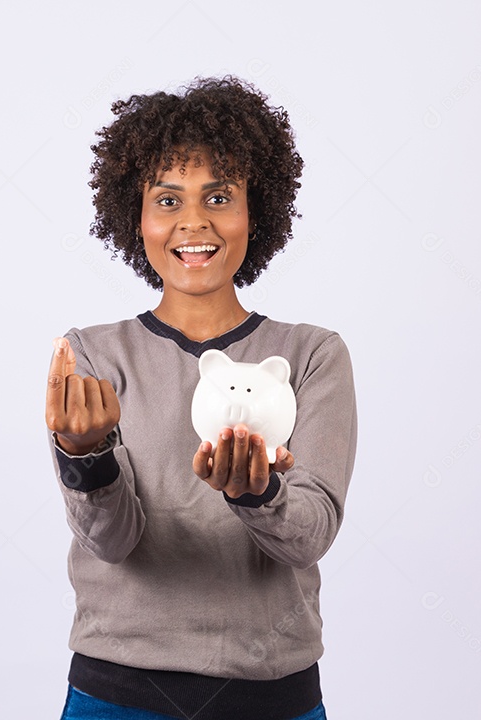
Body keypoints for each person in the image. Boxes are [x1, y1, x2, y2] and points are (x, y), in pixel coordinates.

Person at [45, 75, 358, 720]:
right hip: (119, 693)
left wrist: (258, 494)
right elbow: (112, 541)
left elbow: (310, 534)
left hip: (271, 694)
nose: (194, 223)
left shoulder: (312, 356)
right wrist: (86, 456)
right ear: (135, 217)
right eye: (167, 200)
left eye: (219, 196)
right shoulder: (94, 357)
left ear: (256, 210)